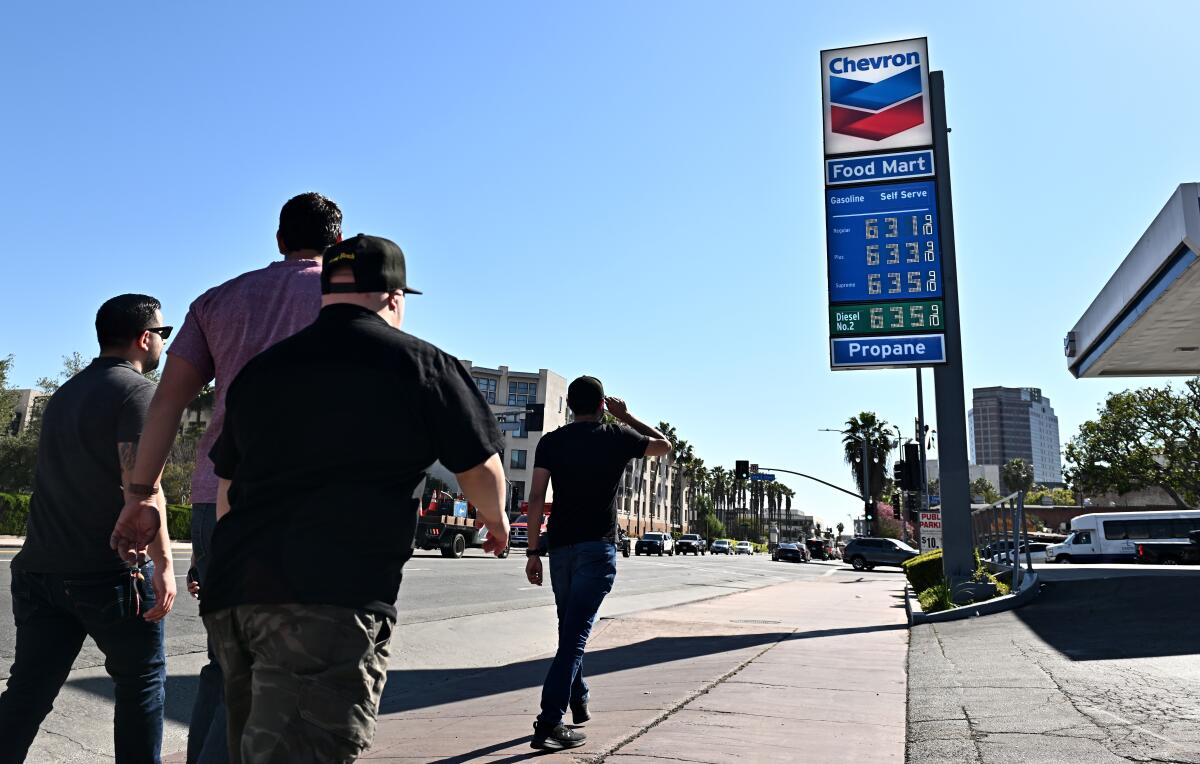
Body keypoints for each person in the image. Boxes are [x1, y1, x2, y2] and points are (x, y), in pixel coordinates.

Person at [199, 234, 510, 764]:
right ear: (393, 297)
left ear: (326, 293)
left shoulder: (263, 370)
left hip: (236, 596)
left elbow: (227, 486)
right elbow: (479, 467)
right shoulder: (422, 364)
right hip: (328, 597)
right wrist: (495, 520)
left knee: (251, 748)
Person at [109, 192, 342, 764]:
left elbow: (166, 402)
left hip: (220, 499)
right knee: (294, 670)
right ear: (337, 243)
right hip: (309, 505)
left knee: (226, 660)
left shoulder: (219, 301)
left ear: (279, 238)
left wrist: (140, 495)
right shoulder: (346, 300)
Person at [0, 294, 176, 763]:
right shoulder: (138, 393)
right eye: (164, 332)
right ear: (145, 338)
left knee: (27, 694)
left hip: (40, 569)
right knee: (142, 686)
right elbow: (141, 488)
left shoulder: (66, 393)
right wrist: (163, 565)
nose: (163, 341)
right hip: (107, 573)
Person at [524, 378, 670, 750]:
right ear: (602, 405)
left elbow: (537, 495)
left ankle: (579, 695)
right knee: (573, 637)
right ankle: (549, 723)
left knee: (568, 631)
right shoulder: (617, 435)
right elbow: (665, 446)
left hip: (560, 551)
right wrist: (629, 415)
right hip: (597, 549)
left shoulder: (551, 442)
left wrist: (533, 550)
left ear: (571, 405)